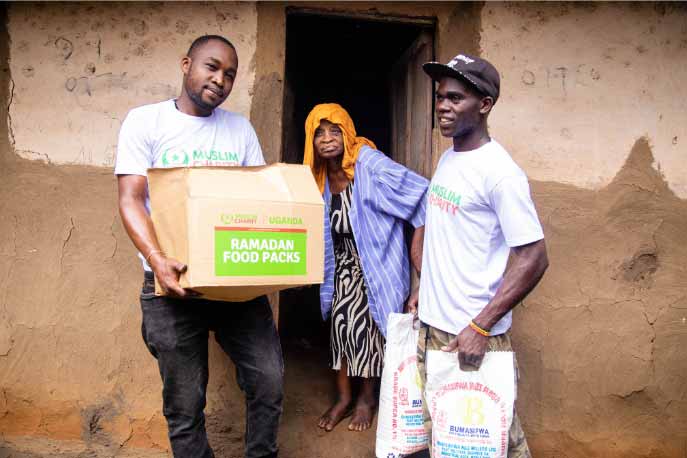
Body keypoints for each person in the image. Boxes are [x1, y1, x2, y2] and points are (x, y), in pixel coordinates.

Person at [115, 35, 283, 458]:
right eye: (212, 67)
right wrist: (157, 260)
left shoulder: (239, 129)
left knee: (269, 380)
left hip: (235, 287)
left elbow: (257, 201)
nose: (220, 79)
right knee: (185, 405)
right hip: (169, 284)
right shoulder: (145, 122)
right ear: (186, 63)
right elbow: (131, 198)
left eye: (229, 74)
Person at [408, 53, 549, 456]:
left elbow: (534, 257)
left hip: (470, 337)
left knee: (492, 442)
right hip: (434, 327)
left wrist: (482, 327)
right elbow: (444, 232)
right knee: (448, 442)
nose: (442, 107)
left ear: (484, 105)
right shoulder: (450, 157)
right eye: (439, 98)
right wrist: (424, 287)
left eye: (455, 98)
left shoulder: (501, 174)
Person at [303, 103, 429, 432]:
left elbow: (419, 191)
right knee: (340, 329)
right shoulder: (315, 178)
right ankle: (344, 397)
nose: (327, 139)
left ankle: (366, 398)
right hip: (341, 266)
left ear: (348, 133)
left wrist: (418, 247)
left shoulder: (368, 163)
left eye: (335, 131)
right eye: (319, 133)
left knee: (369, 331)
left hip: (376, 264)